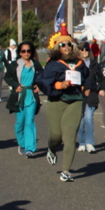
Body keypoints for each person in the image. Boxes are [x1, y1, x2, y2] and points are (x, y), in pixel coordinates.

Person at [37, 34, 89, 182]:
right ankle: (52, 148)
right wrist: (60, 85)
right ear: (57, 47)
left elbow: (88, 78)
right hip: (57, 101)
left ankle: (66, 170)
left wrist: (87, 88)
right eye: (62, 45)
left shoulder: (80, 63)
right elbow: (44, 81)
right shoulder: (53, 63)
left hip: (75, 101)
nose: (66, 47)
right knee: (56, 136)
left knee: (70, 137)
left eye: (68, 44)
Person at [4, 41, 42, 157]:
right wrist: (15, 86)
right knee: (20, 123)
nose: (26, 53)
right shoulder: (15, 64)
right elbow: (7, 77)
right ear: (19, 53)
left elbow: (43, 77)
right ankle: (22, 143)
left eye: (28, 51)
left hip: (31, 96)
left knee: (29, 121)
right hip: (19, 97)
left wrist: (39, 86)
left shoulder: (36, 64)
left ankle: (30, 149)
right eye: (23, 51)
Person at [76, 45, 98, 153]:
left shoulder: (94, 64)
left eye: (86, 49)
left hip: (91, 94)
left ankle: (89, 142)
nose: (84, 51)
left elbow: (100, 79)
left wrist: (100, 89)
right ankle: (81, 142)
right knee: (80, 120)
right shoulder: (75, 63)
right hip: (78, 95)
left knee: (88, 117)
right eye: (82, 49)